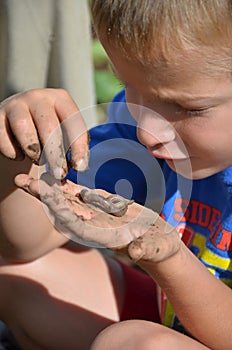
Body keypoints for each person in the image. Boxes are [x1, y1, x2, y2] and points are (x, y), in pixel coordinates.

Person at [0, 0, 232, 349]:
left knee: (135, 343)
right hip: (177, 315)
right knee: (16, 276)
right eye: (130, 86)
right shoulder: (141, 124)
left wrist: (170, 260)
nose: (147, 134)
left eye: (188, 108)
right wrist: (17, 151)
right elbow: (25, 243)